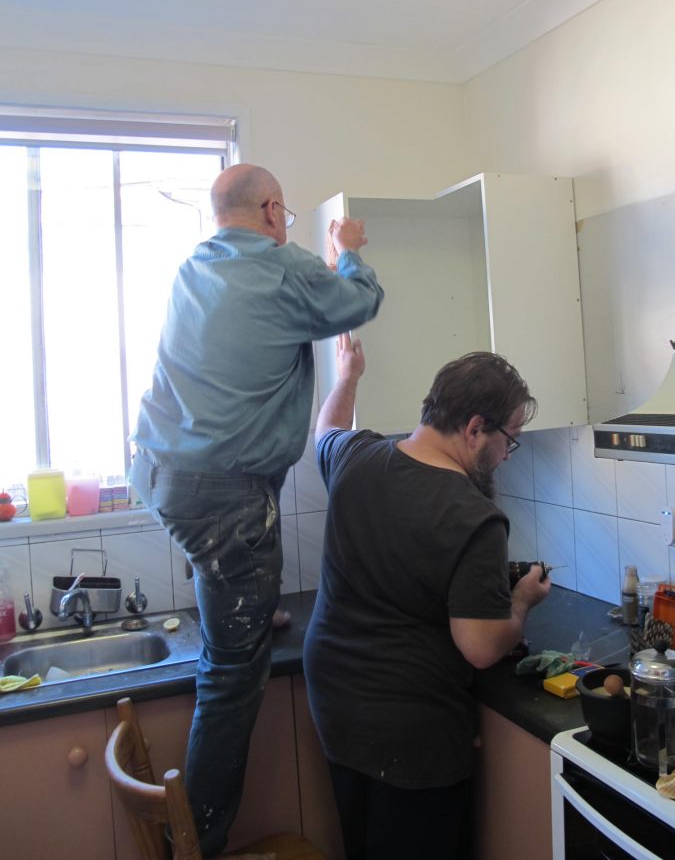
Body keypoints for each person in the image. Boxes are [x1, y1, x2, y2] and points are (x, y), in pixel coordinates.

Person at [129, 163, 384, 857]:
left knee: (232, 570)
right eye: (287, 214)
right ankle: (198, 844)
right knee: (230, 677)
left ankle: (245, 594)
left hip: (157, 473)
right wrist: (349, 246)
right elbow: (361, 300)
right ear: (273, 210)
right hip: (223, 495)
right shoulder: (280, 267)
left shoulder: (194, 270)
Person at [304, 335, 551, 860]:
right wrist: (523, 601)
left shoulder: (355, 458)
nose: (508, 453)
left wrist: (348, 376)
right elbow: (481, 646)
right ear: (475, 428)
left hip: (335, 702)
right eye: (510, 437)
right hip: (411, 732)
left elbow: (326, 429)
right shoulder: (474, 517)